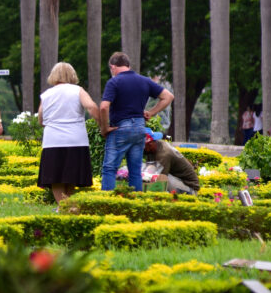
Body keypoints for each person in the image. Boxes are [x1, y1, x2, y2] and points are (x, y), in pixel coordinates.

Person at [99, 52, 174, 191]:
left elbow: (104, 107)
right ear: (128, 65)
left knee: (109, 169)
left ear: (113, 67)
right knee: (135, 171)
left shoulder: (114, 82)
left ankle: (106, 201)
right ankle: (136, 200)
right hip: (139, 127)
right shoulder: (144, 80)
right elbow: (168, 96)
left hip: (120, 127)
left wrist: (104, 128)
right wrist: (151, 112)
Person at [37, 62, 100, 203]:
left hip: (52, 141)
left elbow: (41, 118)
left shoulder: (46, 94)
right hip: (76, 139)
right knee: (72, 174)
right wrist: (101, 125)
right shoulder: (78, 90)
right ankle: (67, 205)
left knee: (55, 177)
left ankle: (63, 205)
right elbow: (91, 106)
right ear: (72, 75)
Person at [143, 129, 200, 195]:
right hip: (177, 180)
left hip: (189, 188)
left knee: (160, 178)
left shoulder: (164, 154)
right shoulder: (154, 147)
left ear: (150, 144)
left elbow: (159, 179)